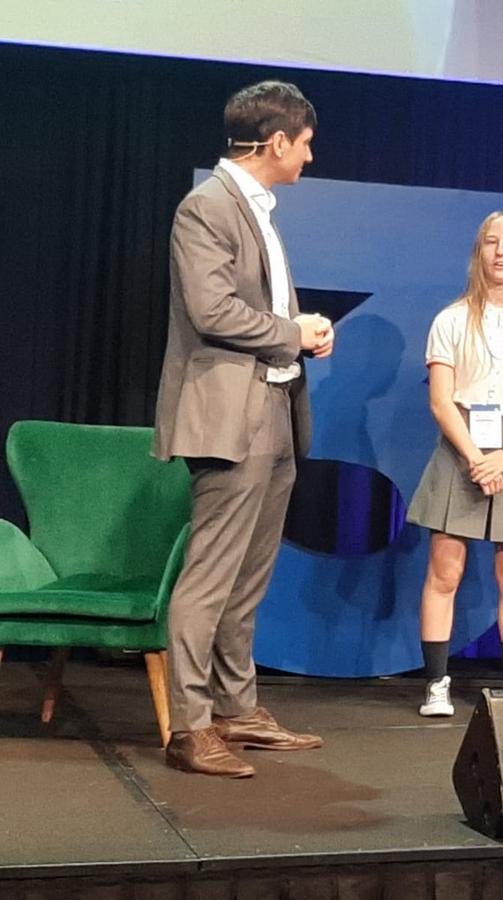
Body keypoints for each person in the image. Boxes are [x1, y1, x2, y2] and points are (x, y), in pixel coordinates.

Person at [153, 81, 335, 777]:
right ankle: (191, 728)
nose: (310, 156)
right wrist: (295, 330)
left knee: (249, 578)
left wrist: (296, 338)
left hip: (276, 410)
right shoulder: (207, 207)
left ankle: (235, 709)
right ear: (277, 142)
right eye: (306, 142)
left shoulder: (259, 208)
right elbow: (212, 311)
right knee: (210, 580)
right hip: (230, 417)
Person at [407, 211, 503, 716]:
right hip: (462, 448)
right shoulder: (450, 319)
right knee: (444, 570)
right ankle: (436, 684)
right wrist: (476, 457)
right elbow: (440, 401)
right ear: (479, 253)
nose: (501, 252)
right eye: (492, 242)